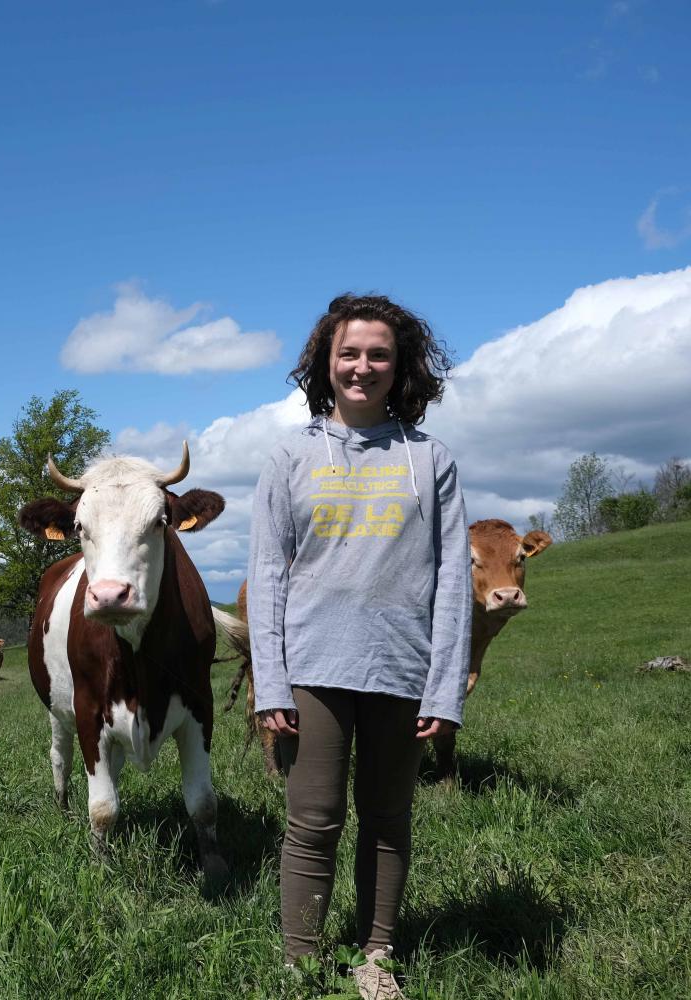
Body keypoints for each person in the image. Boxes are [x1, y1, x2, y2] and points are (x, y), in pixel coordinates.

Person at [247, 293, 470, 998]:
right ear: (326, 361)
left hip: (401, 669)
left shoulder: (430, 460)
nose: (363, 366)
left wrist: (444, 685)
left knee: (386, 820)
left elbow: (455, 581)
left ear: (399, 365)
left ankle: (377, 958)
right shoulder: (290, 455)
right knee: (312, 822)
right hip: (313, 668)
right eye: (350, 353)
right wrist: (271, 683)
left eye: (379, 354)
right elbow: (267, 574)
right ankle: (301, 961)